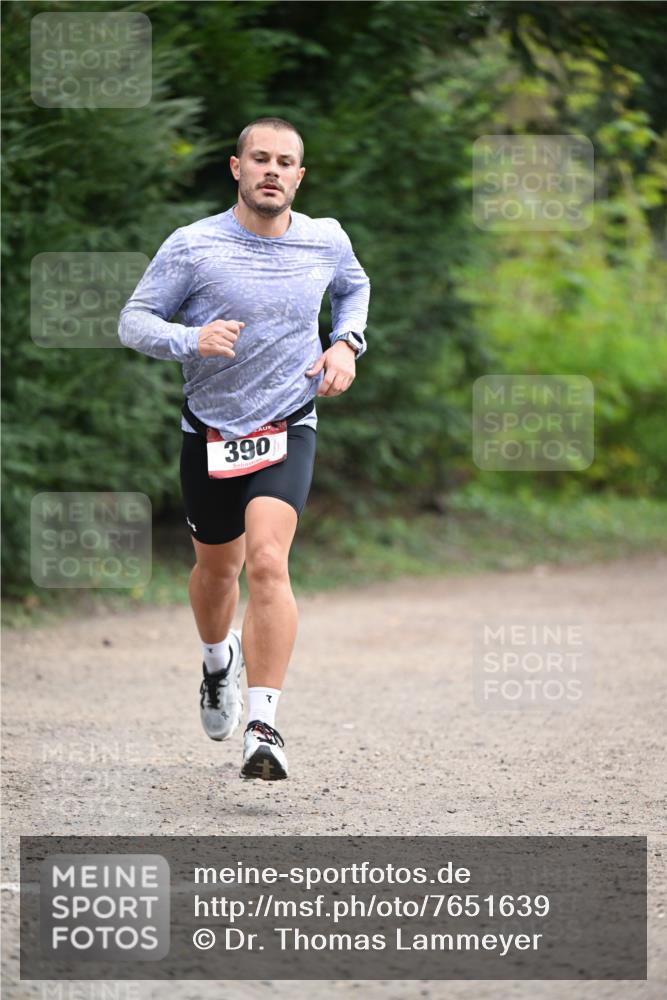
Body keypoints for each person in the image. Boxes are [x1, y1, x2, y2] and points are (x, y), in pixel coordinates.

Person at [118, 117, 370, 780]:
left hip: (288, 423)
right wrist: (189, 340)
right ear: (237, 167)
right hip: (210, 430)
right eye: (260, 159)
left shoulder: (325, 239)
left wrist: (346, 343)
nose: (271, 171)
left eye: (284, 162)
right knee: (216, 571)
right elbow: (133, 321)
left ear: (299, 176)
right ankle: (215, 660)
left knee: (265, 562)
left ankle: (263, 726)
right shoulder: (193, 246)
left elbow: (353, 287)